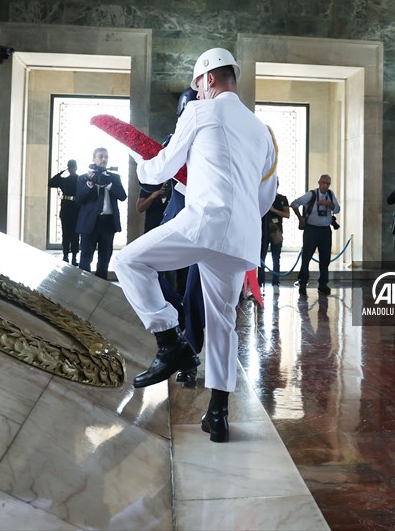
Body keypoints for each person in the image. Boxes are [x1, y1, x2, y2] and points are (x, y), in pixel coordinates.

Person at [112, 48, 277, 444]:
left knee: (128, 261)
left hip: (204, 222)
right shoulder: (261, 130)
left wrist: (139, 161)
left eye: (197, 86)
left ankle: (170, 343)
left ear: (208, 80)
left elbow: (161, 168)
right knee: (222, 321)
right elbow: (266, 195)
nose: (197, 93)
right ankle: (218, 414)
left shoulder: (200, 112)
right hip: (241, 236)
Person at [75, 148, 127, 279]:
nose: (104, 159)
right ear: (93, 158)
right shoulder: (83, 178)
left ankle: (101, 287)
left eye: (106, 157)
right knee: (85, 258)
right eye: (100, 156)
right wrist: (90, 184)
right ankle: (82, 286)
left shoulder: (114, 178)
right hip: (89, 223)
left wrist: (108, 185)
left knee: (105, 258)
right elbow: (79, 199)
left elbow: (122, 196)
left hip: (108, 223)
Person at [291, 175, 340, 297]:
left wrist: (328, 203)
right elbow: (294, 204)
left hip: (325, 231)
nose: (325, 185)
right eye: (323, 183)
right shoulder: (311, 195)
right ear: (319, 182)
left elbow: (337, 209)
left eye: (328, 183)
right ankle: (303, 282)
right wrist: (301, 219)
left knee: (325, 259)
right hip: (311, 230)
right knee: (306, 257)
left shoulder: (330, 195)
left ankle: (323, 284)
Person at [48, 159, 81, 265]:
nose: (71, 169)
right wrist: (61, 172)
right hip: (68, 208)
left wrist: (62, 172)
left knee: (74, 234)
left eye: (72, 167)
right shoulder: (64, 180)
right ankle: (66, 255)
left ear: (75, 168)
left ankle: (74, 257)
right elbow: (51, 183)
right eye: (70, 167)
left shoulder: (80, 180)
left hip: (75, 208)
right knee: (67, 234)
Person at [260, 188, 291, 289]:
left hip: (276, 231)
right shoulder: (261, 198)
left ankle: (276, 281)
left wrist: (274, 210)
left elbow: (287, 214)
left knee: (276, 258)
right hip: (263, 232)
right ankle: (260, 281)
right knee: (261, 258)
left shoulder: (282, 198)